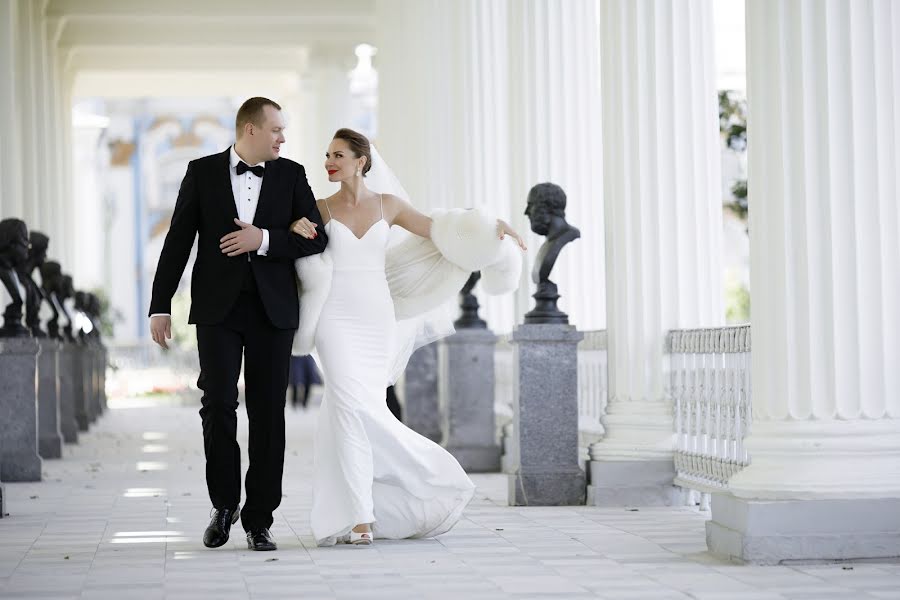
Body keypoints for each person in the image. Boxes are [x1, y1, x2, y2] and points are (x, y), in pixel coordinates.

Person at [291, 128, 525, 546]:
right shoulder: (319, 207)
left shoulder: (390, 205)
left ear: (361, 161)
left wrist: (492, 228)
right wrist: (294, 228)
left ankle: (414, 486)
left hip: (375, 317)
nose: (329, 161)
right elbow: (293, 245)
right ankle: (360, 515)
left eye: (338, 155)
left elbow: (446, 232)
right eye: (327, 154)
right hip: (334, 317)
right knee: (347, 405)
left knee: (366, 410)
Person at [148, 97, 328, 551]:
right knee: (217, 405)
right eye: (276, 130)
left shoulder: (292, 175)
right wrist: (159, 304)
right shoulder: (201, 171)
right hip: (217, 311)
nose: (283, 138)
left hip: (274, 312)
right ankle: (223, 505)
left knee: (268, 413)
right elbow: (178, 241)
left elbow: (316, 239)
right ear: (250, 130)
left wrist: (264, 239)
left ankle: (259, 519)